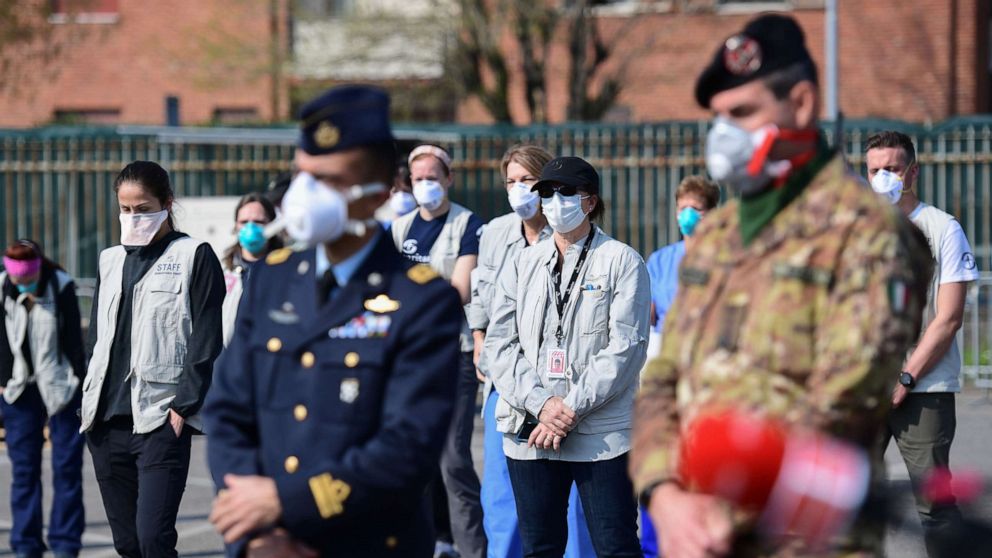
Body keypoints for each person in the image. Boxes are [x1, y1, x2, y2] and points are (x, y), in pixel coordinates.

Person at [629, 14, 933, 558]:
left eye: (743, 113)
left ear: (801, 104)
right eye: (720, 117)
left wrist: (714, 510)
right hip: (692, 533)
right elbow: (662, 379)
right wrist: (664, 494)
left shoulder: (869, 234)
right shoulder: (717, 237)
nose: (724, 135)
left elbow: (842, 404)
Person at [202, 85, 463, 557]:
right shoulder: (271, 280)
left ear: (377, 194)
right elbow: (228, 411)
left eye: (328, 181)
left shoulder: (423, 300)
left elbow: (407, 450)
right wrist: (256, 533)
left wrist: (285, 502)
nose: (306, 195)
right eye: (304, 175)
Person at [483, 155, 650, 557]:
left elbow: (625, 348)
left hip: (600, 432)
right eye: (547, 193)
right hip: (532, 430)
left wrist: (568, 408)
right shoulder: (522, 263)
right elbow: (499, 345)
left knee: (616, 546)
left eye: (566, 192)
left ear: (590, 201)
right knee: (541, 547)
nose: (554, 201)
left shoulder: (621, 261)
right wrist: (543, 406)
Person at [80, 160, 226, 558]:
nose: (133, 218)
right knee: (127, 545)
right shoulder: (110, 259)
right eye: (125, 209)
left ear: (166, 203)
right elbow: (98, 337)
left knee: (153, 540)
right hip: (106, 424)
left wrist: (184, 405)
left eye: (143, 209)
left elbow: (207, 336)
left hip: (160, 419)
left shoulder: (194, 255)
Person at [467, 145, 596, 558]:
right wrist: (479, 339)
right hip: (508, 385)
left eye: (527, 181)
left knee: (572, 502)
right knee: (502, 496)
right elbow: (482, 304)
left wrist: (552, 403)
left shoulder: (574, 235)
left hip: (566, 393)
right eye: (511, 181)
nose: (519, 190)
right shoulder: (495, 234)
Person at [866, 130, 979, 555]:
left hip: (924, 391)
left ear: (912, 172)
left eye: (892, 169)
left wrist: (907, 376)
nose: (883, 178)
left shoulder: (942, 229)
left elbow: (948, 318)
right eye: (875, 170)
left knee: (936, 509)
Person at [391, 144, 487, 558]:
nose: (426, 184)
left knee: (453, 460)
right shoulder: (399, 228)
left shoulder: (468, 224)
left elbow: (459, 292)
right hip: (409, 360)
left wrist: (411, 296)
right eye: (418, 178)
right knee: (414, 460)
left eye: (433, 177)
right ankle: (432, 540)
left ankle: (473, 550)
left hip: (454, 355)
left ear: (448, 179)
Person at [0, 240, 85, 558]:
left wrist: (82, 387)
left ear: (37, 270)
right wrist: (2, 380)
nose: (24, 286)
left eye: (28, 281)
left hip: (62, 386)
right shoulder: (3, 286)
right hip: (20, 389)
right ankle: (26, 544)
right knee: (24, 470)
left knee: (67, 468)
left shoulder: (60, 286)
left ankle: (66, 544)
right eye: (18, 282)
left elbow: (75, 341)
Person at [644, 176, 720, 354]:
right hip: (666, 347)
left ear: (711, 212)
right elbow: (647, 315)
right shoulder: (660, 260)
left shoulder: (723, 257)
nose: (687, 215)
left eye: (695, 208)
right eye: (683, 208)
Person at [221, 193, 283, 346]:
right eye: (244, 222)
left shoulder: (287, 271)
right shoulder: (222, 272)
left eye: (258, 221)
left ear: (272, 225)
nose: (250, 227)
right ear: (236, 226)